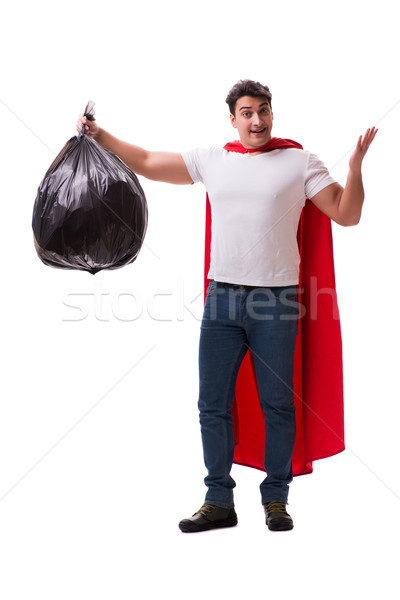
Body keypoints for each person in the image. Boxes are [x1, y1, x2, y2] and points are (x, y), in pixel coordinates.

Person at [77, 80, 377, 533]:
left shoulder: (300, 162)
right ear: (232, 119)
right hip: (222, 300)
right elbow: (145, 162)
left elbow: (346, 213)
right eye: (247, 112)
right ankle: (219, 500)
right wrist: (101, 136)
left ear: (273, 114)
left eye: (264, 111)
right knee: (211, 404)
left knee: (278, 405)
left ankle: (276, 499)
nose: (257, 120)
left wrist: (354, 168)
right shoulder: (212, 161)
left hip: (276, 301)